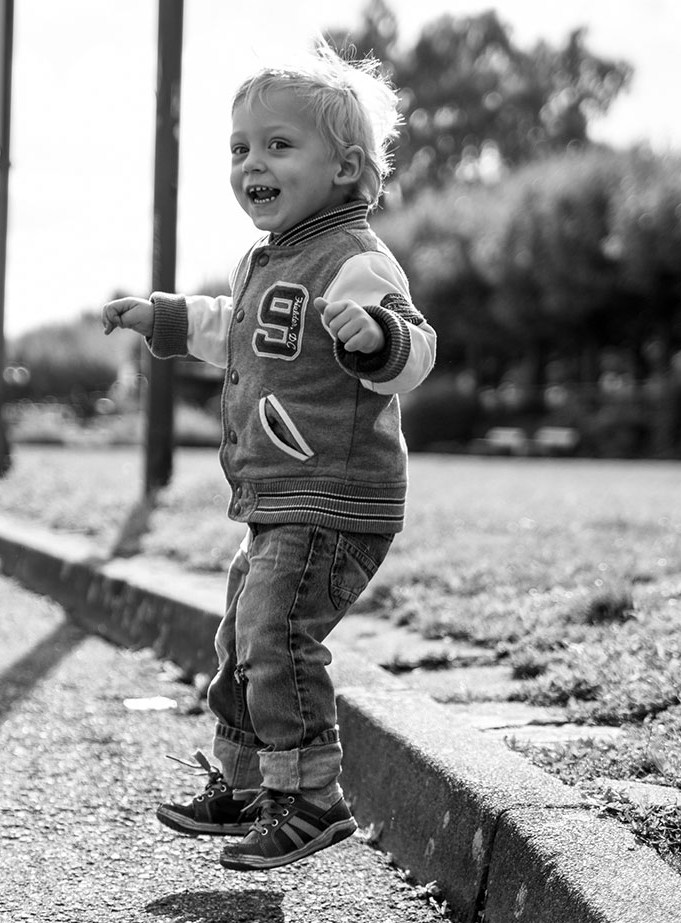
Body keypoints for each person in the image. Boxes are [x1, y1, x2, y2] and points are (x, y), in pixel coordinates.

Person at [102, 45, 436, 872]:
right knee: (241, 634)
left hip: (335, 492)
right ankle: (249, 782)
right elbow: (234, 327)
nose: (254, 162)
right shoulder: (264, 261)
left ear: (346, 168)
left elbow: (416, 348)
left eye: (279, 145)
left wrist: (379, 338)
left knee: (276, 633)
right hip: (279, 493)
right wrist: (167, 318)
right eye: (241, 148)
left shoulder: (353, 258)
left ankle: (311, 798)